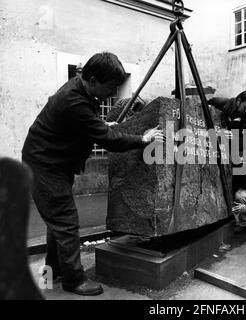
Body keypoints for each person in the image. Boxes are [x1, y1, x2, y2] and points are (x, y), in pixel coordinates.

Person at [21, 52, 165, 296]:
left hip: (51, 162)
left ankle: (55, 269)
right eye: (110, 88)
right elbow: (107, 140)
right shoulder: (73, 100)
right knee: (66, 222)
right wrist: (144, 138)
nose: (111, 94)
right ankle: (74, 280)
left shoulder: (80, 88)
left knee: (58, 222)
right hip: (45, 165)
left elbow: (84, 124)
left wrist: (99, 124)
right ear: (95, 79)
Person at [208, 90, 246, 194]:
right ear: (239, 100)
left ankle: (237, 195)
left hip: (234, 148)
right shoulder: (218, 103)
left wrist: (234, 138)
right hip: (212, 144)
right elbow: (200, 116)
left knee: (245, 166)